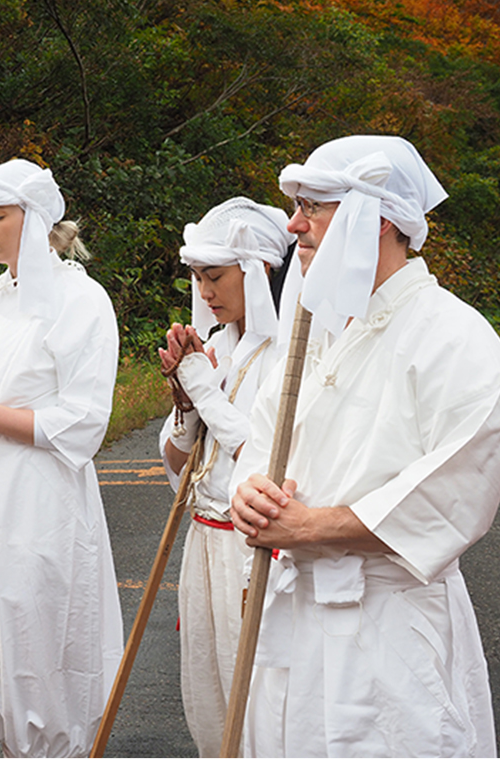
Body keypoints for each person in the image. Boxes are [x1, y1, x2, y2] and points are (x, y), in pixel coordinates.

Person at [230, 135, 500, 757]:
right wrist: (250, 493)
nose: (294, 224)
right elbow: (262, 438)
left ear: (375, 219)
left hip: (389, 629)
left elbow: (459, 490)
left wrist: (312, 526)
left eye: (314, 206)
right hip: (295, 618)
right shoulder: (317, 326)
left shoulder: (454, 335)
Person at [0, 158, 124, 757]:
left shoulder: (80, 299)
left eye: (0, 215)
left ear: (36, 219)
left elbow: (83, 421)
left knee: (37, 629)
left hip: (39, 496)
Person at [156, 197, 293, 758]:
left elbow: (263, 456)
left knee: (256, 692)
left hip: (250, 549)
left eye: (216, 277)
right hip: (203, 539)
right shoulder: (217, 346)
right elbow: (177, 457)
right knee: (207, 695)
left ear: (258, 273)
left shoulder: (288, 353)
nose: (205, 292)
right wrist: (186, 402)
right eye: (197, 279)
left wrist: (205, 390)